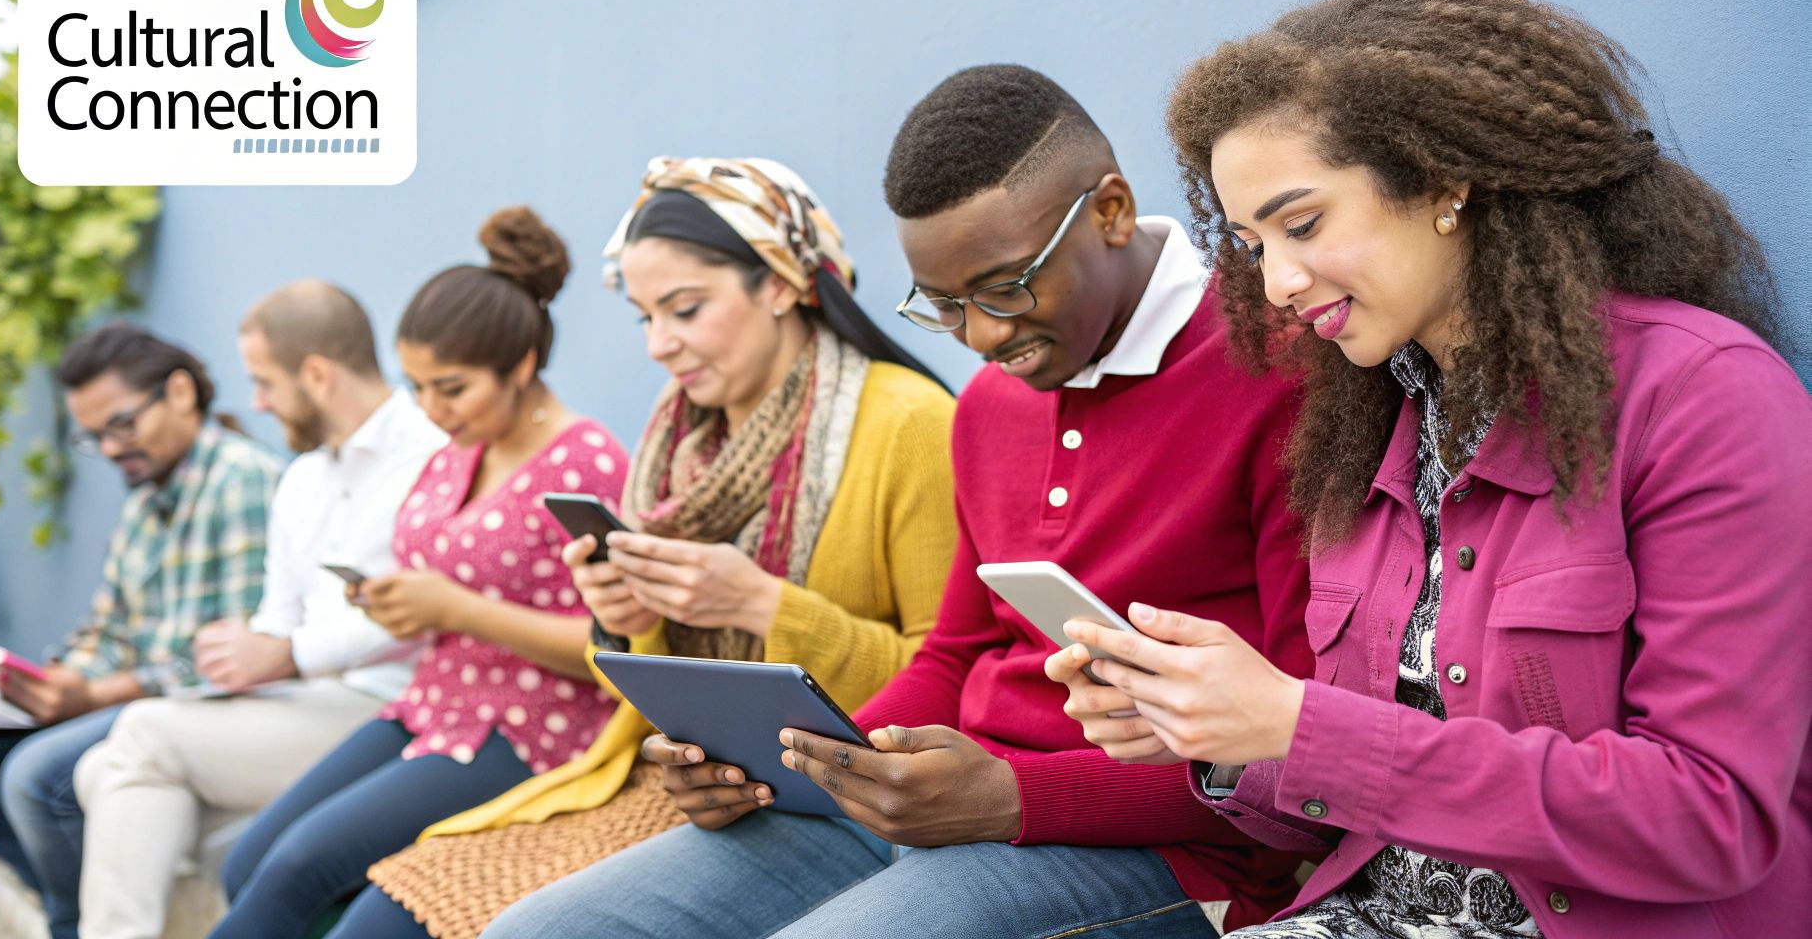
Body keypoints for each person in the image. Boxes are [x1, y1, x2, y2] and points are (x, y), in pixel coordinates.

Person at [1053, 0, 1812, 938]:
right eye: (1249, 244)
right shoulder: (1367, 431)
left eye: (1304, 222)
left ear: (1445, 179)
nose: (1277, 282)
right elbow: (1373, 787)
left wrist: (1299, 722)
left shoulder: (1703, 398)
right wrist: (1217, 741)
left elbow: (1710, 817)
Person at [486, 66, 1311, 939]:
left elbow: (1301, 736)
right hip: (943, 804)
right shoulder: (994, 406)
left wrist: (1012, 797)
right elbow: (957, 652)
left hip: (1167, 852)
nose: (985, 337)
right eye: (947, 307)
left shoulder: (1279, 372)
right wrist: (797, 765)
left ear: (1108, 211)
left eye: (1007, 289)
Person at [330, 156, 957, 939]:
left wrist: (761, 604)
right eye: (644, 316)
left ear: (781, 283)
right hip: (707, 786)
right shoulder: (678, 437)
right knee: (395, 914)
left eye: (685, 309)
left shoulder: (910, 424)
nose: (659, 344)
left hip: (854, 806)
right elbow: (662, 685)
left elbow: (950, 684)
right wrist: (625, 619)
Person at [208, 208, 630, 939]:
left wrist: (455, 608)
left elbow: (615, 653)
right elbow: (446, 579)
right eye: (419, 386)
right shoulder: (461, 446)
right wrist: (400, 601)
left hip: (536, 728)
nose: (431, 409)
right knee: (250, 860)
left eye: (452, 387)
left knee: (296, 871)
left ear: (523, 365)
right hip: (433, 704)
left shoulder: (585, 462)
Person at [67, 282, 443, 939]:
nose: (257, 403)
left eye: (264, 383)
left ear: (318, 375)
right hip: (307, 707)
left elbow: (430, 607)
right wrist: (242, 650)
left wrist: (288, 652)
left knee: (141, 739)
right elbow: (278, 616)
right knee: (104, 770)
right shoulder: (302, 479)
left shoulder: (430, 454)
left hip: (393, 708)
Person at [0, 323, 282, 939]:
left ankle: (72, 924)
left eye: (121, 424)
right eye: (94, 436)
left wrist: (95, 694)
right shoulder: (146, 500)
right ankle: (54, 917)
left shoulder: (241, 480)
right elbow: (110, 630)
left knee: (37, 777)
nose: (111, 448)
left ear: (180, 392)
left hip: (209, 709)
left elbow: (232, 663)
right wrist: (59, 680)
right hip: (136, 699)